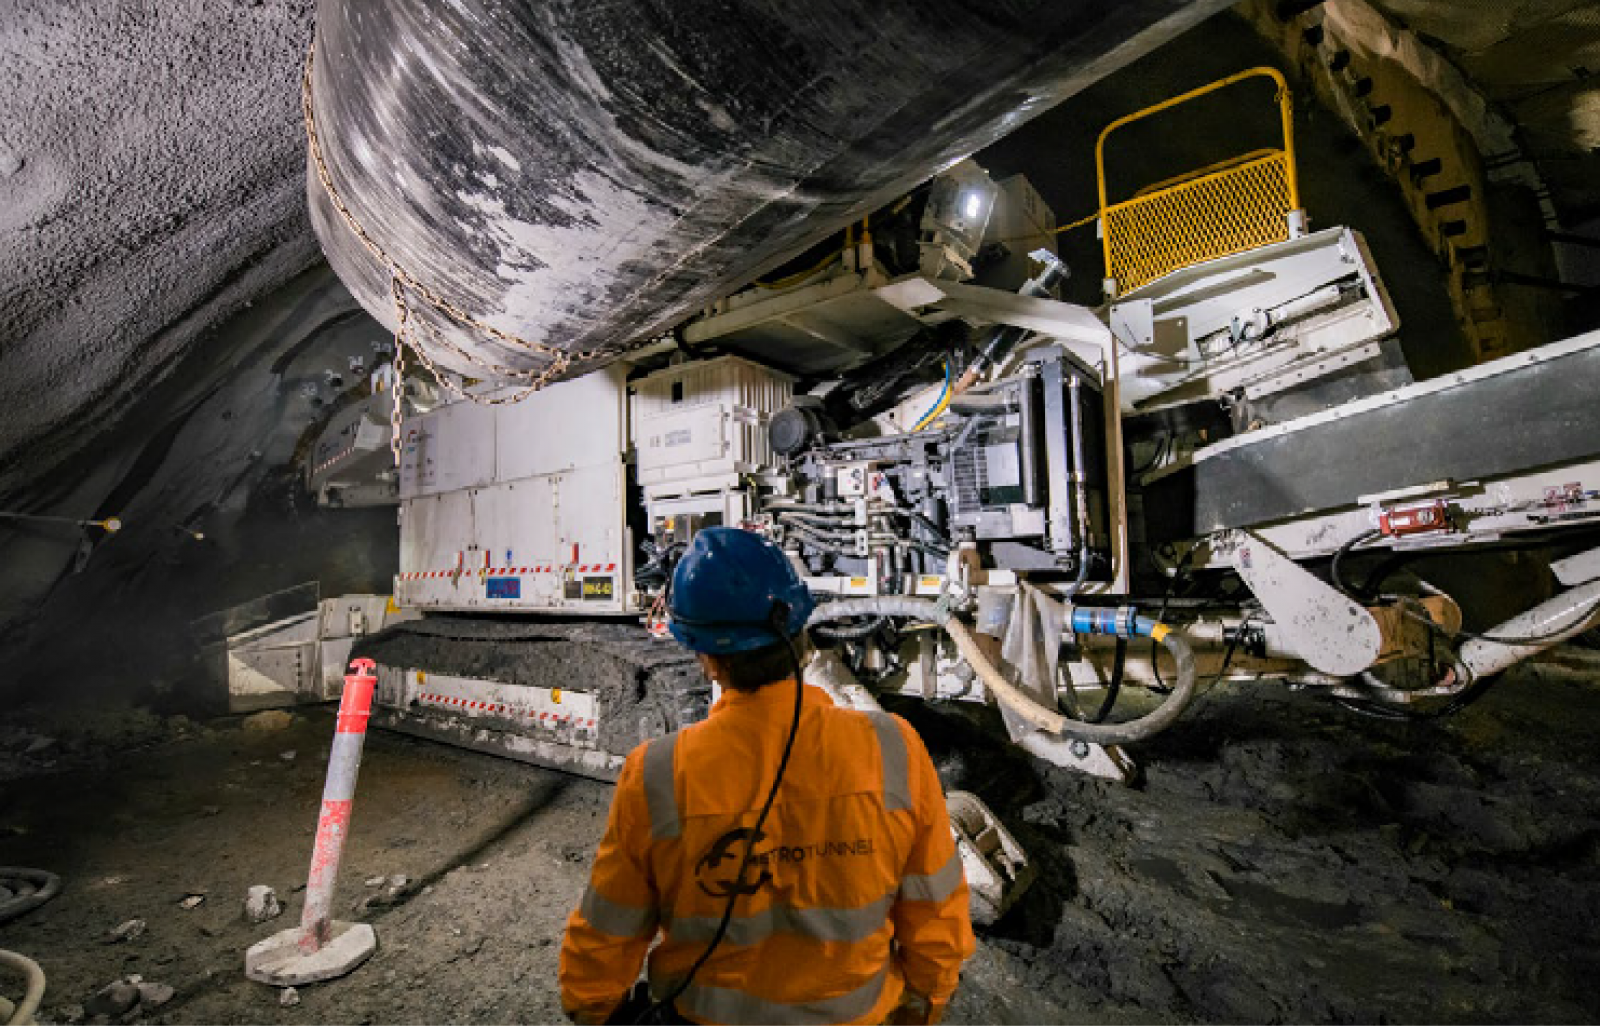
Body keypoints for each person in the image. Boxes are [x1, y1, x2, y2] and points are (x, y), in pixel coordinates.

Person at [560, 527, 975, 1026]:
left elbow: (607, 933)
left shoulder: (656, 775)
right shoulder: (894, 747)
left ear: (707, 659)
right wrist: (926, 1003)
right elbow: (936, 912)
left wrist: (593, 1009)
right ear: (799, 632)